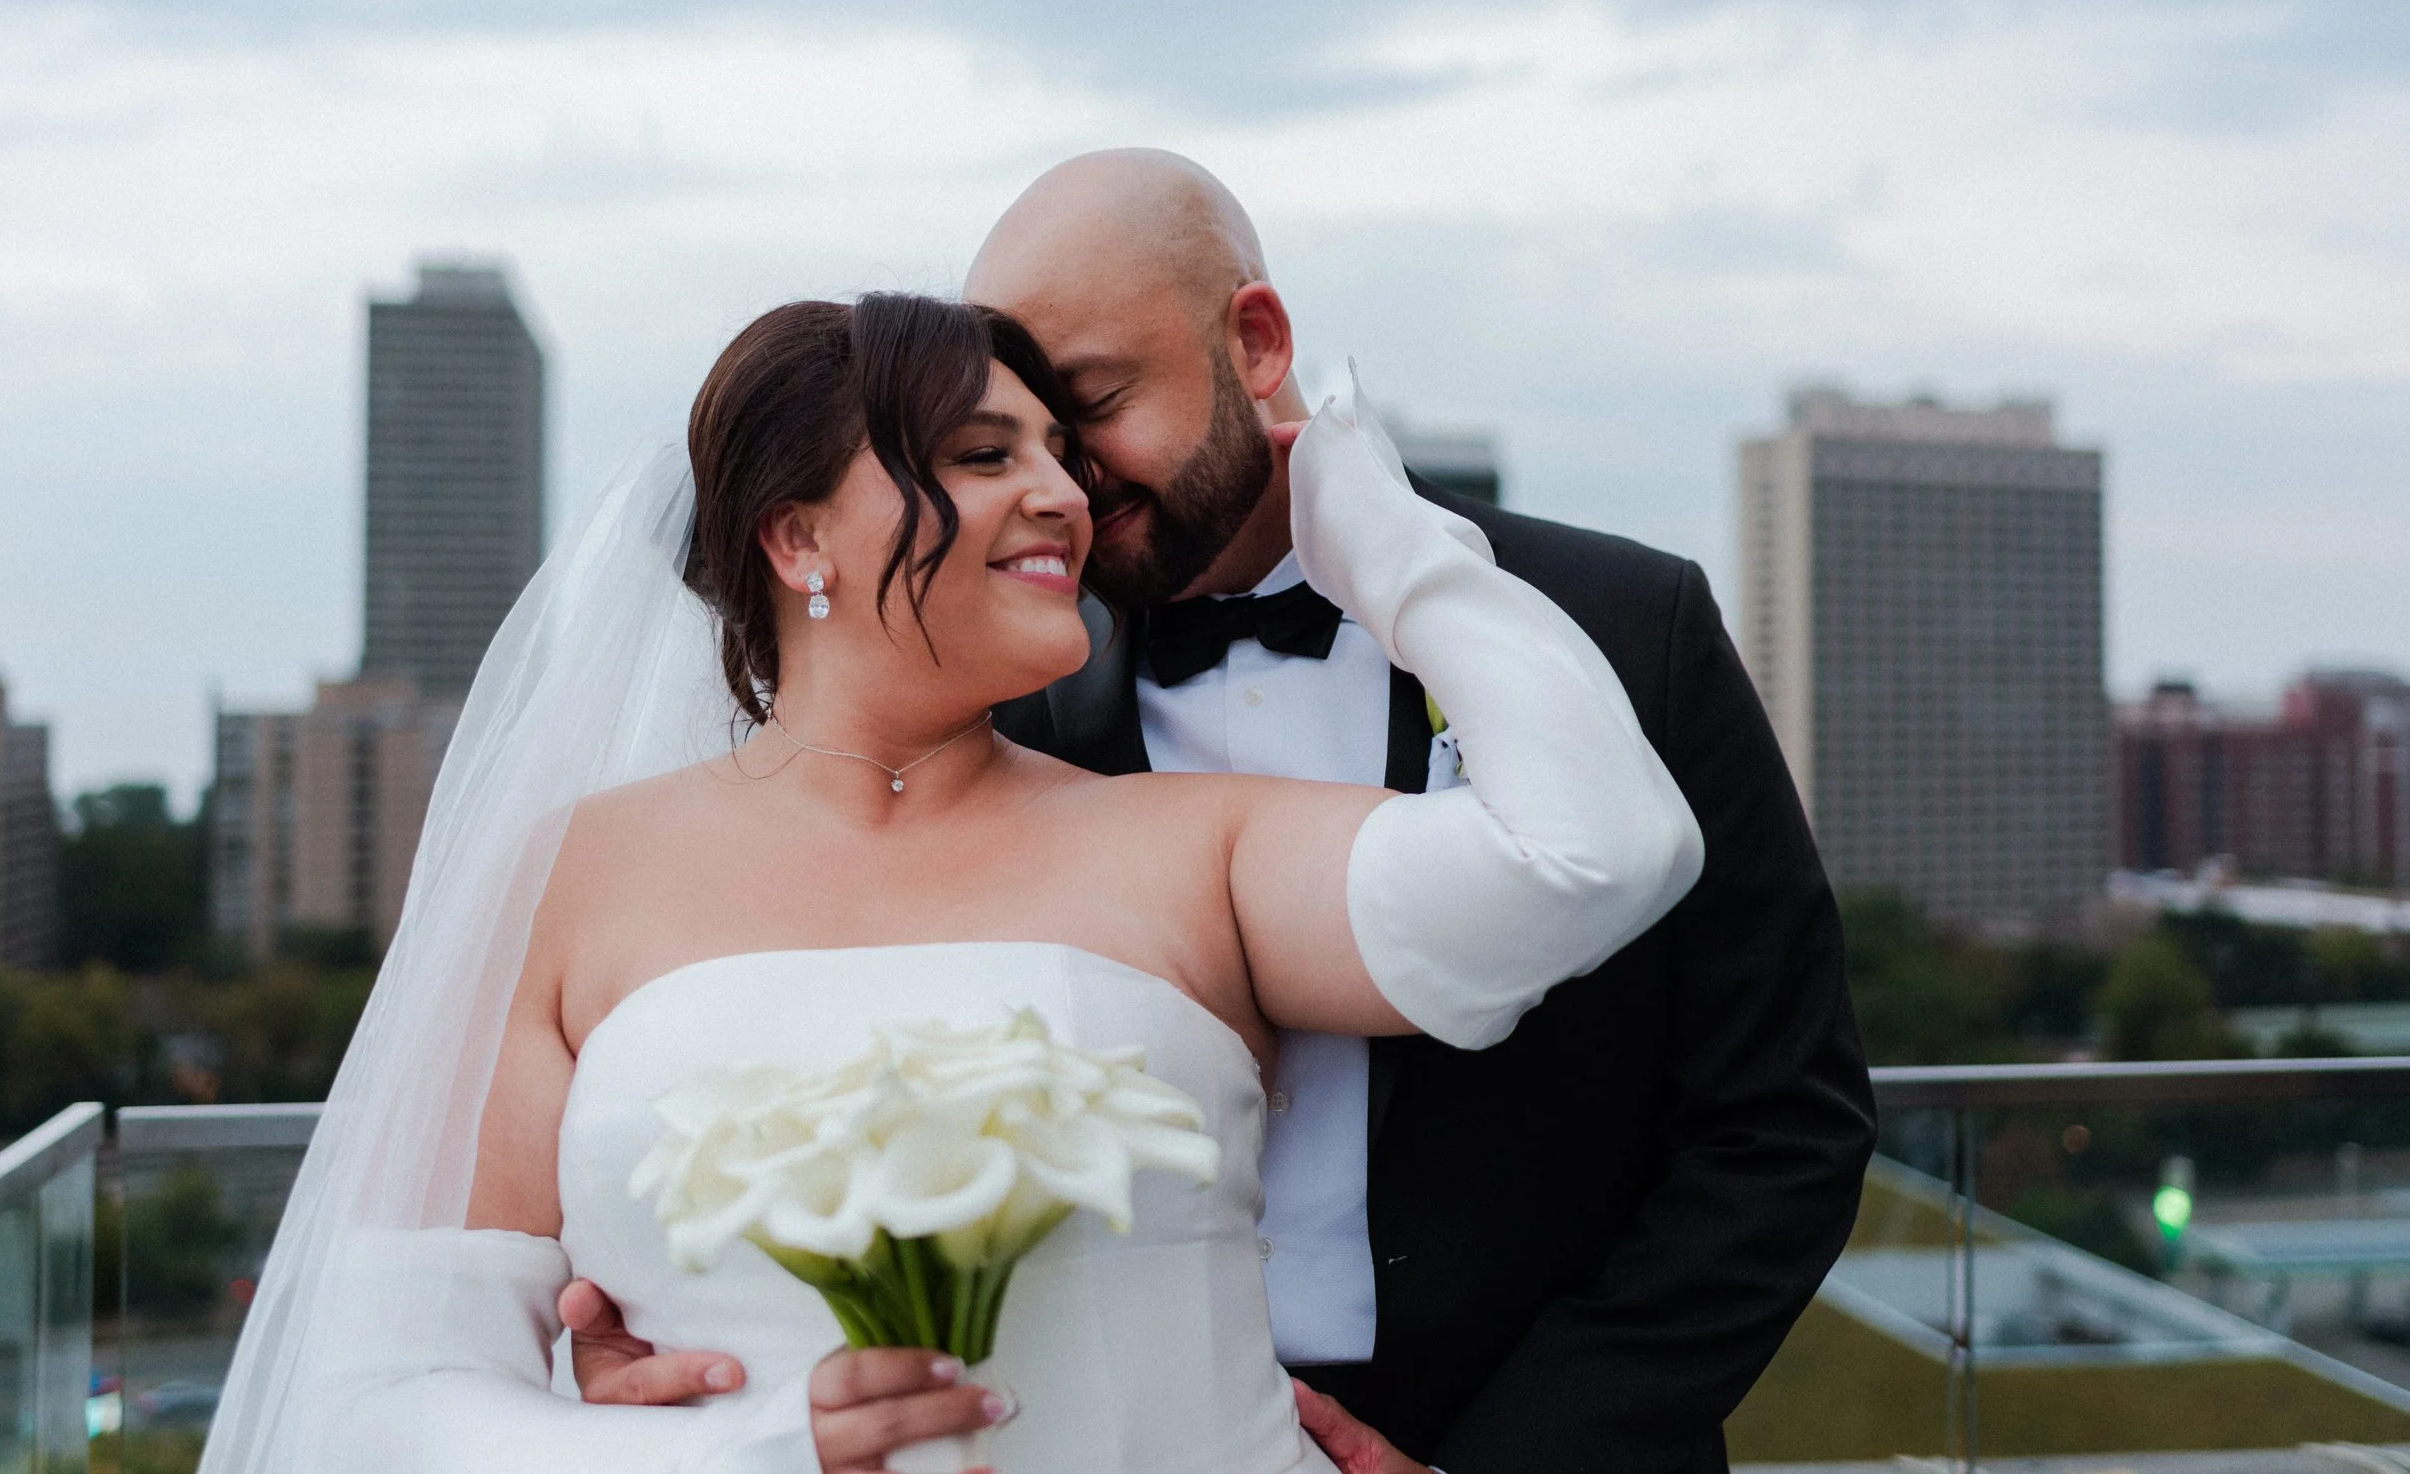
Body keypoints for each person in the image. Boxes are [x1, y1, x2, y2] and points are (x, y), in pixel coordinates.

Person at [201, 290, 1703, 1473]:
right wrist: (730, 1454)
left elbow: (1598, 851)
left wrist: (1389, 537)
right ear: (797, 538)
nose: (1060, 492)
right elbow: (382, 1399)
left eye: (1058, 449)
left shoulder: (1202, 842)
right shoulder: (570, 879)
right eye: (987, 456)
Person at [572, 152, 1879, 1472]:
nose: (1070, 486)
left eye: (1090, 407)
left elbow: (1779, 1122)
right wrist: (659, 1332)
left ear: (1254, 342)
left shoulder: (1613, 628)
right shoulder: (994, 685)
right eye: (1019, 440)